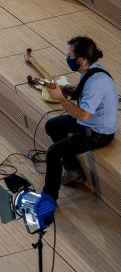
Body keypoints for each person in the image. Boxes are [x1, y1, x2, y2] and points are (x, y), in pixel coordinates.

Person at [43, 36, 118, 200]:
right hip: (89, 122)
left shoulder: (97, 83)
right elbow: (83, 94)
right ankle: (72, 169)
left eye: (69, 56)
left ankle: (49, 197)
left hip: (98, 133)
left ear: (82, 59)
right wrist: (67, 91)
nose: (67, 59)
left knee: (53, 153)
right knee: (52, 125)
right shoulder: (91, 70)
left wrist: (60, 99)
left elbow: (83, 115)